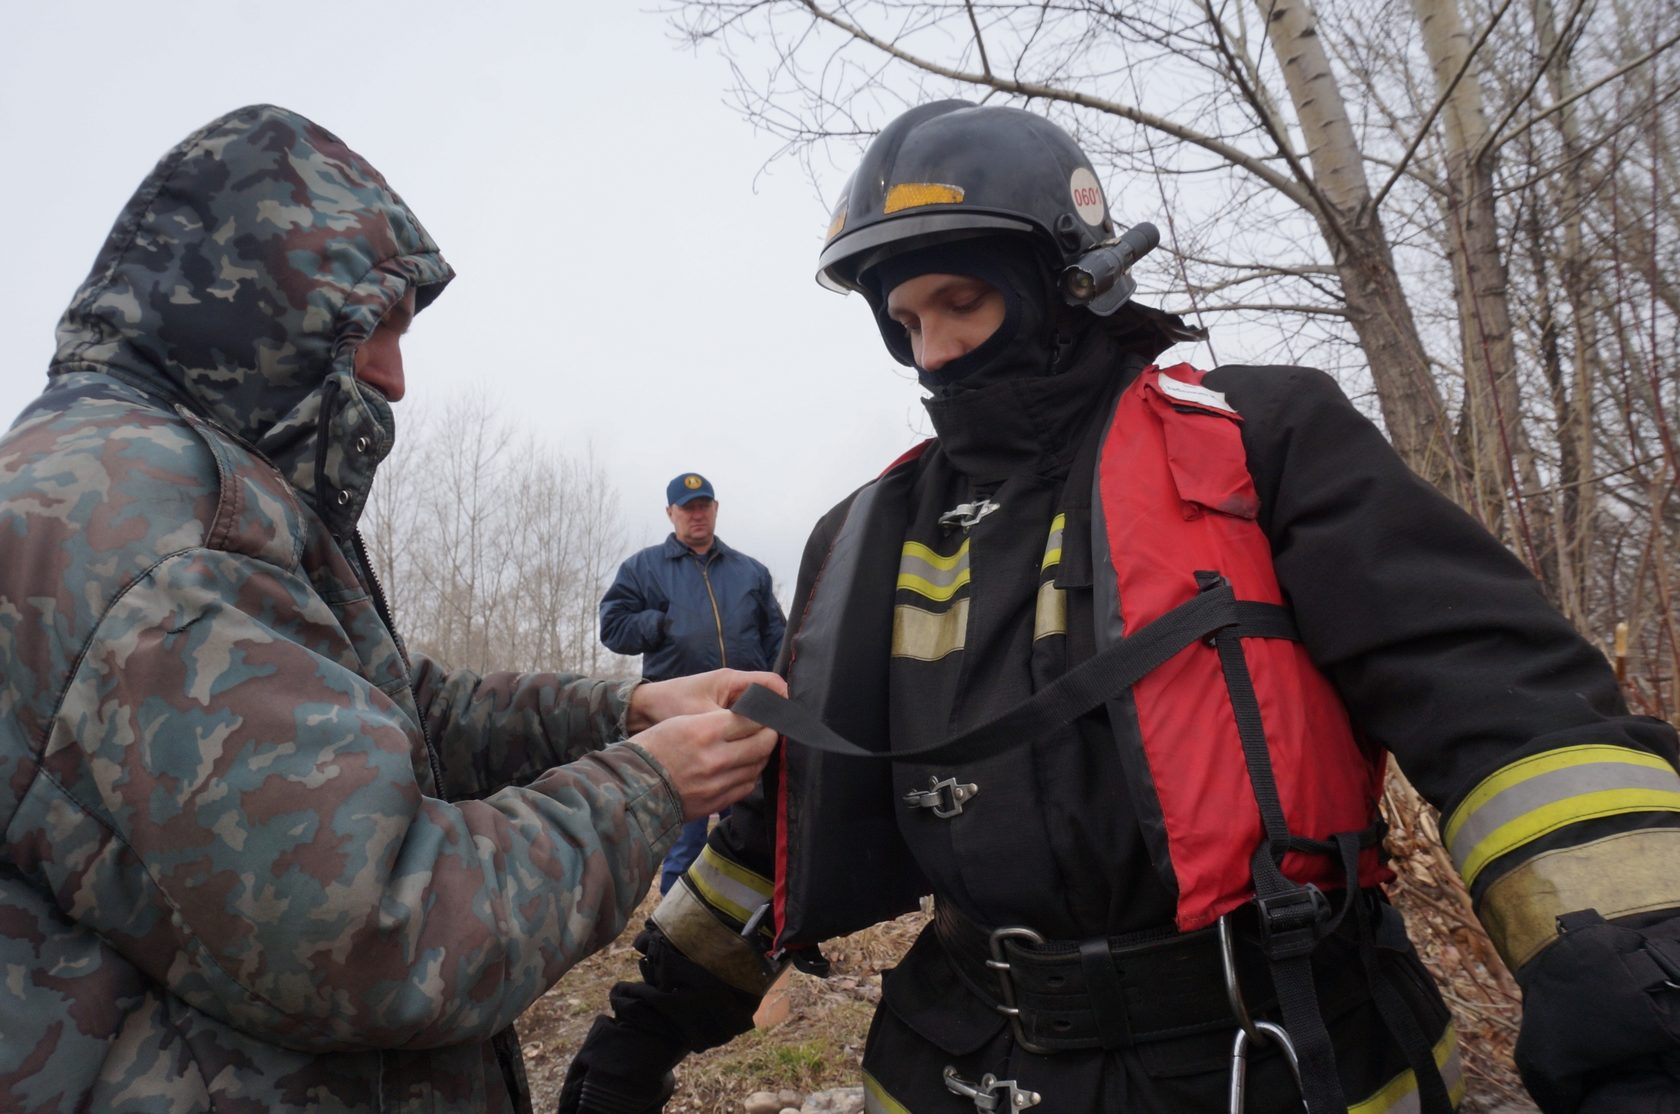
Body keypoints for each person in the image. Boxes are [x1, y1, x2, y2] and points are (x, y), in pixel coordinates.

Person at [559, 100, 1680, 1114]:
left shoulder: (1262, 441)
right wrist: (642, 1031)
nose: (934, 348)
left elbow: (1505, 708)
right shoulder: (863, 531)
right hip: (952, 1058)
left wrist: (1634, 992)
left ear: (1070, 280)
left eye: (963, 300)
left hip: (1278, 1051)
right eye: (906, 321)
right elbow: (779, 825)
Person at [0, 104, 784, 1114]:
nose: (396, 378)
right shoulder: (153, 530)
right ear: (267, 304)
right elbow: (383, 928)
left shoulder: (160, 485)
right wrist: (641, 785)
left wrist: (622, 715)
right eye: (379, 328)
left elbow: (381, 711)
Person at [600, 474, 788, 893]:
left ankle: (744, 929)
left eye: (703, 505)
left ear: (716, 509)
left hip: (749, 720)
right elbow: (612, 629)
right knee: (684, 840)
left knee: (750, 835)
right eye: (687, 507)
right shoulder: (643, 568)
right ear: (671, 514)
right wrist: (659, 622)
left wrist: (791, 685)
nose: (696, 514)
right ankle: (674, 939)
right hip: (682, 725)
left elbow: (779, 639)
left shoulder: (750, 572)